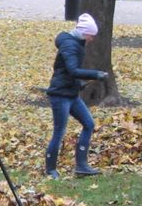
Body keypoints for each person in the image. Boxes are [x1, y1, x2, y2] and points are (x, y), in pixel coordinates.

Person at [45, 13, 108, 179]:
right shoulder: (70, 46)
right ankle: (51, 170)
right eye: (91, 35)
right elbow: (72, 70)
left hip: (71, 93)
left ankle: (81, 165)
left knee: (89, 123)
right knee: (59, 132)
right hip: (60, 95)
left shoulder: (76, 43)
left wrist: (78, 84)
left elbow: (67, 71)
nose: (92, 39)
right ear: (84, 32)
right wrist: (96, 74)